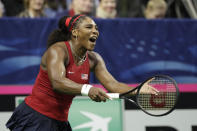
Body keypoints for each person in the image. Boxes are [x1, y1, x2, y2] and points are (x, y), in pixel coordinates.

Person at [6, 14, 157, 131]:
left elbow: (113, 85)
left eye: (96, 28)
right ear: (75, 32)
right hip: (36, 117)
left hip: (60, 122)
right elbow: (57, 82)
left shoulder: (94, 59)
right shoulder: (58, 50)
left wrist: (138, 89)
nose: (95, 31)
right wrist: (87, 89)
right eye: (89, 27)